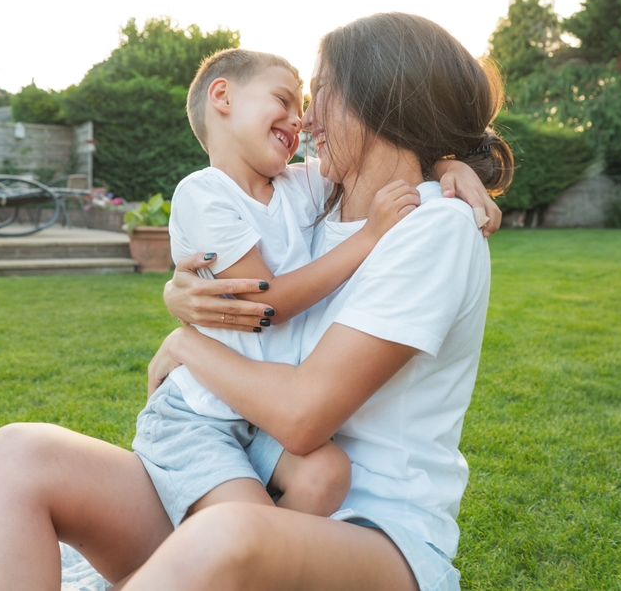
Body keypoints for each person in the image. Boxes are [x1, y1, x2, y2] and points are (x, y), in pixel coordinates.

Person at [0, 12, 510, 591]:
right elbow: (259, 268)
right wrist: (181, 293)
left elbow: (302, 416)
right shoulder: (313, 196)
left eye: (323, 95)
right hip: (253, 479)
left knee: (226, 532)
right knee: (19, 454)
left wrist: (185, 344)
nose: (307, 119)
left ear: (380, 102)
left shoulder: (435, 227)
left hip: (371, 535)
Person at [134, 47, 420, 526]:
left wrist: (456, 169)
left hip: (260, 413)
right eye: (284, 100)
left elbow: (386, 164)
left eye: (303, 107)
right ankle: (215, 557)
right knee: (245, 526)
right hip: (199, 414)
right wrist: (370, 236)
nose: (301, 120)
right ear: (221, 96)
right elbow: (266, 302)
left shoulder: (297, 185)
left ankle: (222, 561)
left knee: (327, 474)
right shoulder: (203, 193)